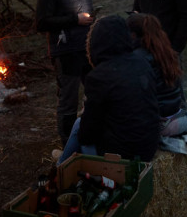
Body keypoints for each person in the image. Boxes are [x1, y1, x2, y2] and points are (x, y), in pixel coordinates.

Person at [54, 15, 161, 164]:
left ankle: (61, 168)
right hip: (149, 147)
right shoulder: (141, 62)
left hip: (120, 158)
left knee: (79, 125)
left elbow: (87, 135)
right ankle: (64, 160)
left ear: (96, 43)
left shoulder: (99, 77)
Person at [36, 0, 94, 146]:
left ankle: (90, 134)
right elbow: (41, 23)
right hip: (66, 52)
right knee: (69, 99)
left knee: (95, 91)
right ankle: (68, 145)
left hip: (87, 49)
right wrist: (74, 20)